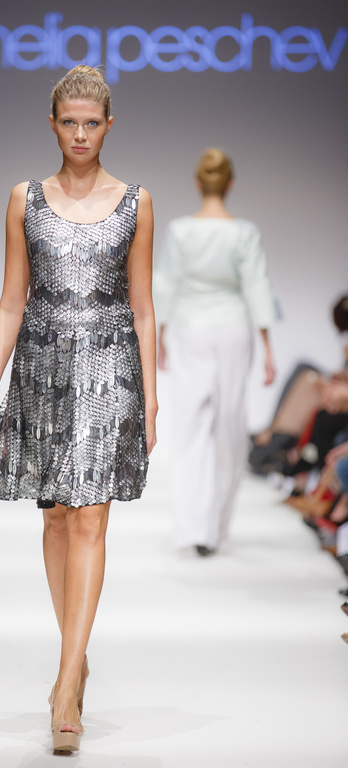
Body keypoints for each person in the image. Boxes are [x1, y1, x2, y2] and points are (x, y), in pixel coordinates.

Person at [0, 66, 157, 754]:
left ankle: (67, 681)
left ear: (109, 125)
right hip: (41, 370)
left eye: (91, 123)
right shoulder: (24, 199)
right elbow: (11, 301)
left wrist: (151, 398)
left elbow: (143, 306)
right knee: (55, 517)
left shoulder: (136, 202)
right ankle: (76, 656)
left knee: (92, 517)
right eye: (69, 122)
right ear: (52, 125)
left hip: (110, 369)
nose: (80, 134)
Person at [155, 148, 278, 556]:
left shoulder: (180, 231)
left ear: (197, 183)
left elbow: (167, 283)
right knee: (229, 428)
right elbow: (257, 286)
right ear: (230, 184)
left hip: (191, 328)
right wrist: (268, 348)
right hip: (234, 328)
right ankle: (217, 528)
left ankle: (195, 529)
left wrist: (160, 335)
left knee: (190, 429)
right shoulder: (244, 232)